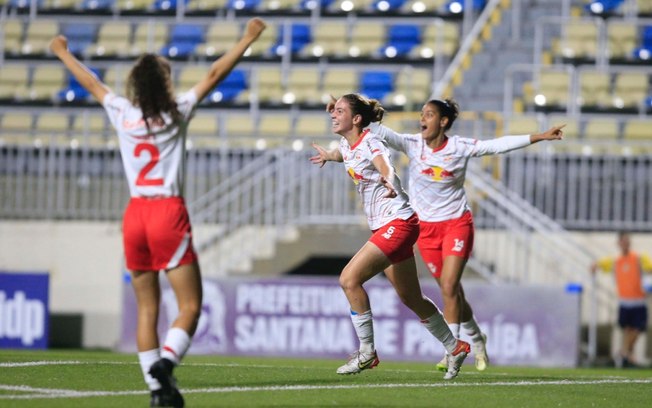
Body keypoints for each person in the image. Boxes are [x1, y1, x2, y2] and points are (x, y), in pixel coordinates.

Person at [49, 18, 266, 407]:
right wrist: (248, 38)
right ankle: (166, 364)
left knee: (146, 309)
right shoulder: (177, 111)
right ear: (164, 84)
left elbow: (93, 84)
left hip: (135, 215)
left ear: (135, 85)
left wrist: (64, 52)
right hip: (167, 212)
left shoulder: (121, 112)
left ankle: (158, 394)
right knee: (190, 306)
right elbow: (215, 73)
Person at [367, 98, 564, 372]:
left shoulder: (459, 147)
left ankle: (452, 350)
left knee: (448, 286)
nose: (422, 118)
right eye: (422, 113)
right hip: (425, 230)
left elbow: (497, 145)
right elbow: (381, 133)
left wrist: (539, 137)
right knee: (453, 292)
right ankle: (478, 338)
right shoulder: (413, 144)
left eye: (430, 114)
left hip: (456, 224)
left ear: (443, 121)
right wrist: (357, 112)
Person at [309, 93, 470, 380]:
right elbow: (345, 156)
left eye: (341, 111)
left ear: (356, 119)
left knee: (348, 279)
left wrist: (389, 178)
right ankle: (454, 346)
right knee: (410, 296)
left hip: (398, 222)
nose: (333, 115)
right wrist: (329, 156)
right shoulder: (347, 145)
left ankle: (367, 351)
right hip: (389, 225)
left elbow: (383, 163)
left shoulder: (371, 141)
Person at [591, 232, 652, 368]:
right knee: (627, 330)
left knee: (637, 329)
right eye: (623, 241)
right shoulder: (615, 261)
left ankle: (623, 352)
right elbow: (601, 264)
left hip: (639, 300)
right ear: (618, 243)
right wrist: (594, 266)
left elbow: (649, 268)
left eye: (627, 241)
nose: (625, 244)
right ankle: (628, 357)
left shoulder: (639, 258)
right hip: (624, 300)